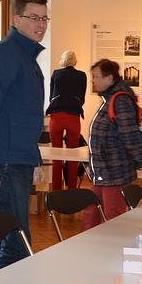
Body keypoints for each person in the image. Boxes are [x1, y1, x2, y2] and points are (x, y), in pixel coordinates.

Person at [0, 0, 48, 270]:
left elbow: (25, 116)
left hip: (20, 159)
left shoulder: (26, 56)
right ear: (17, 19)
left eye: (44, 18)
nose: (40, 24)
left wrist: (35, 159)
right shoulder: (5, 54)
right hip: (6, 162)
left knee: (9, 237)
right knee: (18, 241)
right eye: (34, 17)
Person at [85, 58, 142, 229]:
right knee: (91, 213)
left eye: (96, 77)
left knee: (114, 218)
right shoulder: (109, 99)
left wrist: (137, 160)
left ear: (109, 78)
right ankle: (89, 244)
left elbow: (130, 135)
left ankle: (114, 245)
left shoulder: (120, 101)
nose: (93, 81)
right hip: (102, 171)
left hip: (114, 172)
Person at [45, 49, 86, 190]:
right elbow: (82, 99)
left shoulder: (56, 74)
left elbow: (51, 97)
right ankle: (71, 191)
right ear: (75, 61)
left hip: (56, 118)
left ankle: (56, 192)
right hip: (73, 118)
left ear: (63, 60)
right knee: (72, 157)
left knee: (56, 157)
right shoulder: (81, 76)